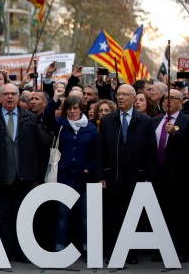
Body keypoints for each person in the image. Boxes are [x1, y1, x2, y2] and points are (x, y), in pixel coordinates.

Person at [95, 84, 155, 265]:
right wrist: (101, 176)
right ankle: (115, 251)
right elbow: (100, 151)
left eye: (124, 95)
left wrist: (149, 176)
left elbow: (150, 152)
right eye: (118, 94)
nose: (120, 98)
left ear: (134, 98)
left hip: (136, 177)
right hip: (113, 176)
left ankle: (131, 252)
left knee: (133, 216)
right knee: (113, 216)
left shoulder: (145, 121)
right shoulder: (107, 121)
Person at [0, 83, 43, 263]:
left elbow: (38, 149)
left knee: (23, 215)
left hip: (24, 175)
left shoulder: (30, 118)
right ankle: (5, 251)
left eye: (13, 94)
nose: (10, 97)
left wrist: (37, 176)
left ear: (18, 97)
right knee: (3, 215)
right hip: (1, 176)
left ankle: (22, 250)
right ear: (0, 97)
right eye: (6, 94)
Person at [43, 90, 97, 258]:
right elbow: (47, 117)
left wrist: (89, 167)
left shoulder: (91, 128)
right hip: (64, 177)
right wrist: (55, 100)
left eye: (75, 108)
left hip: (83, 177)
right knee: (62, 214)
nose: (72, 111)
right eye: (69, 109)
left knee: (85, 215)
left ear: (81, 109)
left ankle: (88, 249)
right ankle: (60, 248)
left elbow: (96, 152)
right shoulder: (61, 125)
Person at [150, 89, 188, 263]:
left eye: (173, 99)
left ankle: (180, 249)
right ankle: (161, 248)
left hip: (179, 175)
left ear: (181, 102)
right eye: (166, 99)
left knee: (178, 215)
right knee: (160, 213)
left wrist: (176, 134)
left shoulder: (186, 120)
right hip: (158, 175)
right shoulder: (156, 120)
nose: (168, 102)